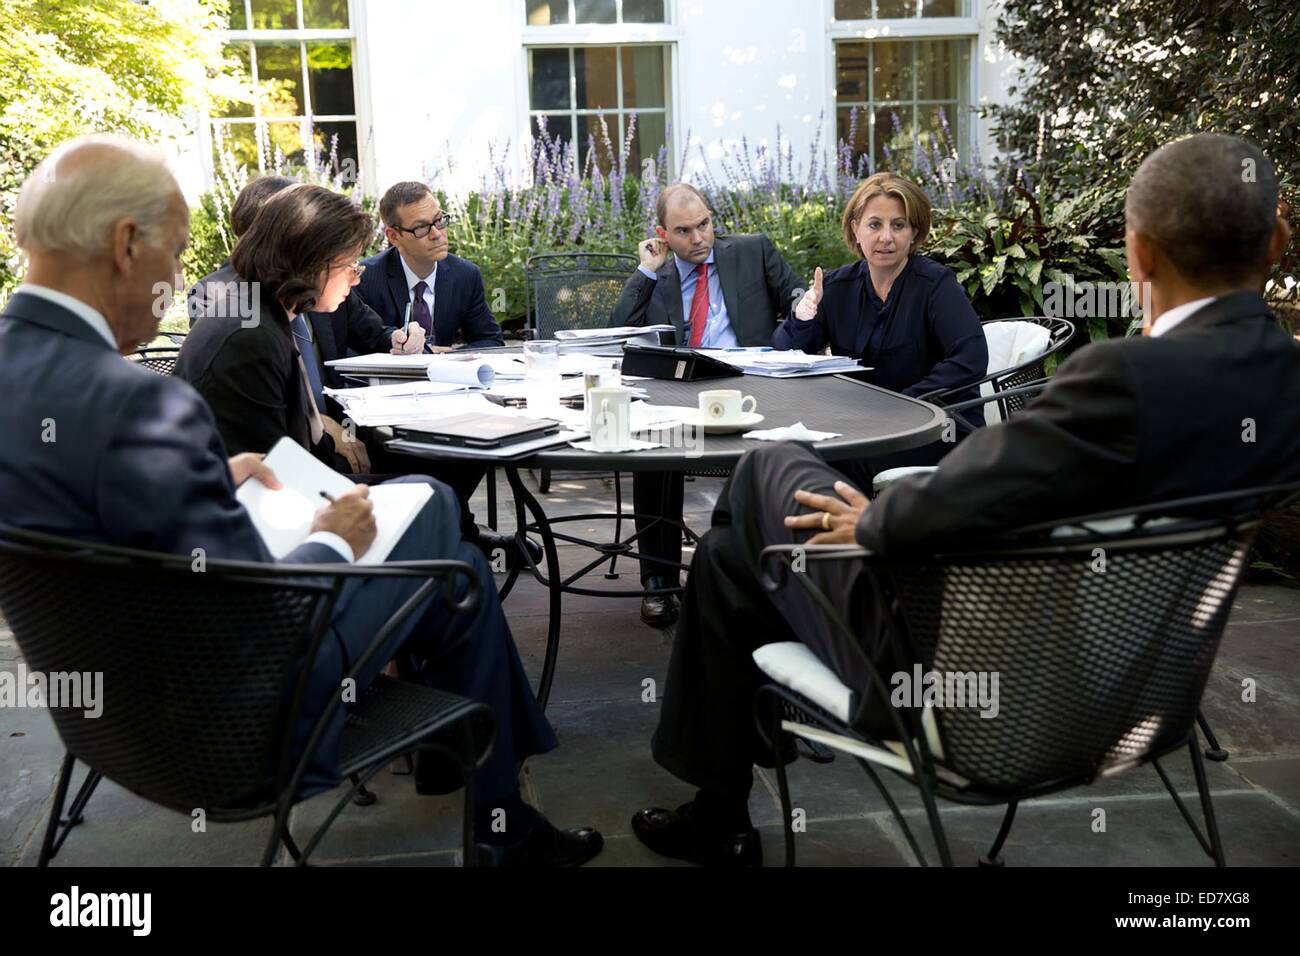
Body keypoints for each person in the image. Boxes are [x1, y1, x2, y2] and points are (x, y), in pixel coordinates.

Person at [630, 133, 1300, 866]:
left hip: (952, 677)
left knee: (767, 468)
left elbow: (966, 489)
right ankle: (721, 806)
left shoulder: (1122, 379)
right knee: (733, 558)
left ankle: (721, 804)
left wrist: (875, 518)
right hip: (1135, 692)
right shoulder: (1283, 385)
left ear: (1137, 255)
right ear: (1278, 241)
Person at [0, 136, 601, 866]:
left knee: (439, 535)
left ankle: (487, 786)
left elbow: (95, 534)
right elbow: (257, 619)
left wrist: (216, 480)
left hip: (108, 721)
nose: (186, 280)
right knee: (454, 560)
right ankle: (498, 806)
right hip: (235, 730)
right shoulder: (140, 407)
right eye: (181, 253)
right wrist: (334, 541)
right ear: (127, 244)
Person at [183, 176, 530, 565]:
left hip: (296, 495)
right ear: (309, 263)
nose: (356, 275)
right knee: (438, 509)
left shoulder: (265, 318)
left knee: (441, 492)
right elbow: (277, 479)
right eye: (348, 264)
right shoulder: (249, 336)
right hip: (280, 548)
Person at [610, 182, 805, 627]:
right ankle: (659, 582)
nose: (699, 238)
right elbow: (619, 331)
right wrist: (644, 271)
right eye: (684, 231)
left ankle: (754, 575)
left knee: (768, 460)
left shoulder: (752, 251)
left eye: (704, 225)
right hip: (680, 389)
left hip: (751, 385)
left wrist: (803, 304)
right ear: (663, 234)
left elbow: (796, 293)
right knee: (653, 452)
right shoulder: (655, 273)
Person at [777, 171, 988, 476]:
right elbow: (787, 356)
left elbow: (970, 358)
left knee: (838, 462)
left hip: (937, 428)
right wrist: (803, 316)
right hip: (865, 428)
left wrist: (904, 403)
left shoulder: (935, 285)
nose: (886, 237)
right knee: (776, 455)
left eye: (898, 225)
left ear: (913, 232)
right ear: (856, 229)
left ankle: (854, 525)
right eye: (875, 225)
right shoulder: (837, 287)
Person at [355, 181, 504, 350]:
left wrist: (447, 355)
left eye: (439, 220)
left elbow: (492, 342)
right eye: (421, 228)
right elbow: (352, 349)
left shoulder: (465, 275)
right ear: (394, 236)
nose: (436, 234)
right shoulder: (365, 278)